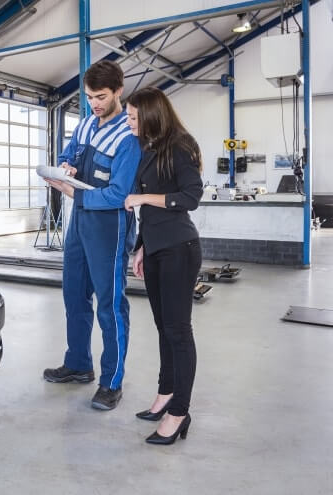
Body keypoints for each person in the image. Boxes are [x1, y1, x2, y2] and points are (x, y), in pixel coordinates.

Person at [43, 60, 142, 411]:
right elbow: (68, 155)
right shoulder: (84, 125)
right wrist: (64, 166)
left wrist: (74, 194)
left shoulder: (129, 137)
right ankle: (78, 363)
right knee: (74, 294)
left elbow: (118, 194)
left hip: (110, 227)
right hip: (80, 223)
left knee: (110, 305)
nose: (95, 104)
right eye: (88, 98)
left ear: (118, 90)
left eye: (101, 97)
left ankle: (111, 381)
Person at [123, 87, 203, 444]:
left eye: (133, 117)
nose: (128, 122)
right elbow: (150, 214)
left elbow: (191, 197)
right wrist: (141, 247)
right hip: (155, 248)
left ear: (152, 115)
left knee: (178, 331)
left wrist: (141, 197)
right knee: (163, 328)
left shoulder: (181, 146)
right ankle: (165, 394)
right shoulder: (149, 148)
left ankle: (179, 412)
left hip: (179, 249)